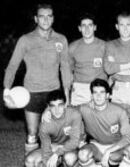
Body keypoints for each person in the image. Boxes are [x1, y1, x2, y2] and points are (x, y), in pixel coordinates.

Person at [3, 3, 71, 154]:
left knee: (53, 134)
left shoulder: (61, 39)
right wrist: (6, 90)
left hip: (54, 92)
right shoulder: (25, 40)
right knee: (33, 133)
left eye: (49, 16)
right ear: (36, 19)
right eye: (42, 16)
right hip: (32, 92)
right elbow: (13, 65)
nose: (45, 20)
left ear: (53, 19)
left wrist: (67, 93)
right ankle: (31, 161)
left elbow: (65, 67)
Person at [25, 90, 82, 167]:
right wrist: (47, 162)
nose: (57, 109)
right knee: (30, 160)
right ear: (48, 107)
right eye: (53, 106)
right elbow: (46, 149)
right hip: (53, 147)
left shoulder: (74, 115)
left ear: (65, 105)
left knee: (70, 158)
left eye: (60, 105)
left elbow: (74, 142)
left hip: (71, 147)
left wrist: (57, 154)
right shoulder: (45, 123)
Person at [68, 13, 107, 106]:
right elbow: (69, 70)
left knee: (100, 119)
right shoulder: (72, 47)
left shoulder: (104, 46)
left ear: (95, 27)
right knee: (78, 119)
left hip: (99, 89)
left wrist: (108, 85)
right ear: (79, 28)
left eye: (90, 25)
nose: (87, 29)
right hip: (80, 89)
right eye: (83, 26)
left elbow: (112, 68)